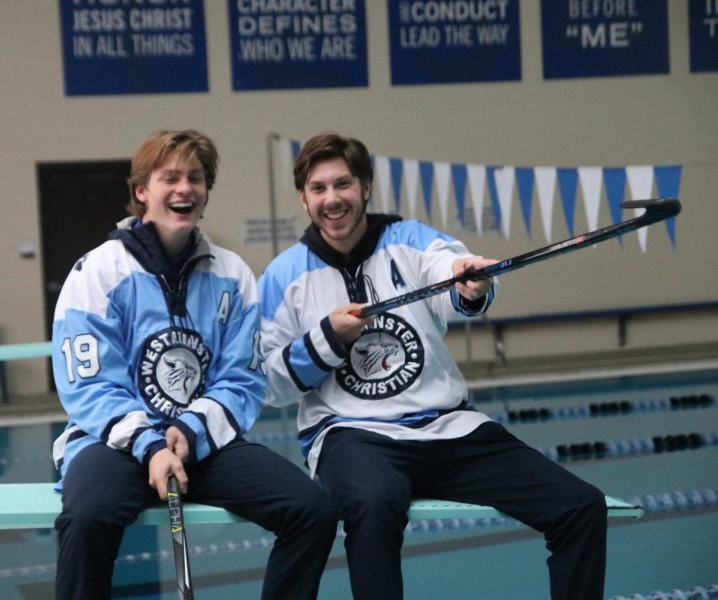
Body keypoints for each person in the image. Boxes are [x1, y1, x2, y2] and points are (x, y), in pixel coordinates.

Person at [258, 132, 607, 600]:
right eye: (318, 189)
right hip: (353, 436)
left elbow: (450, 273)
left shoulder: (412, 239)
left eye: (343, 184)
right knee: (372, 505)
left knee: (580, 506)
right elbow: (268, 384)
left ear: (365, 187)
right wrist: (326, 340)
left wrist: (469, 286)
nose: (332, 199)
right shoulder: (283, 275)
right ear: (303, 198)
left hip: (449, 428)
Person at [51, 129, 337, 600]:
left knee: (312, 508)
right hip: (115, 445)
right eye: (170, 177)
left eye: (196, 178)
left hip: (201, 441)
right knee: (86, 518)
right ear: (142, 191)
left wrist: (190, 431)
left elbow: (242, 379)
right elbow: (90, 385)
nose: (185, 188)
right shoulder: (98, 271)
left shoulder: (232, 273)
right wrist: (149, 444)